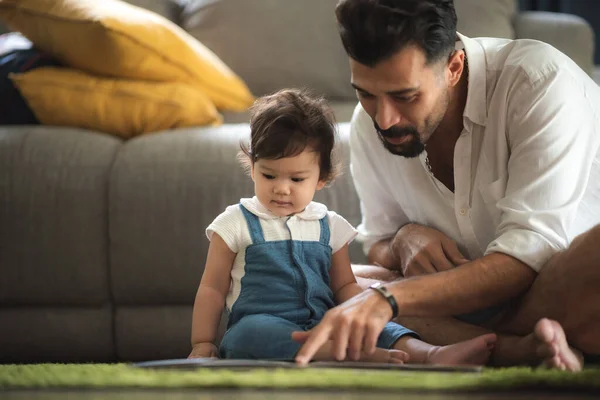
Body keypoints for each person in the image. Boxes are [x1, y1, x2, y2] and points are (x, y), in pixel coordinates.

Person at [293, 0, 600, 371]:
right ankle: (518, 348)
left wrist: (388, 301)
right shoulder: (366, 124)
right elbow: (377, 244)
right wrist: (403, 238)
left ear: (453, 67)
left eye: (405, 96)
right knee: (307, 272)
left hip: (562, 285)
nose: (385, 119)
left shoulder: (538, 82)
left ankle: (478, 341)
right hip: (452, 300)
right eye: (366, 93)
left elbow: (525, 259)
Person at [188, 88, 497, 365]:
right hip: (265, 323)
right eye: (269, 176)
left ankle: (431, 354)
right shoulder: (235, 222)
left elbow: (345, 286)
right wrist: (202, 343)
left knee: (377, 323)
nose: (282, 188)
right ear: (252, 167)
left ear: (321, 179)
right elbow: (212, 289)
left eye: (296, 179)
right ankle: (350, 354)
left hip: (327, 321)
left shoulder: (330, 227)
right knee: (246, 335)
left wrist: (366, 314)